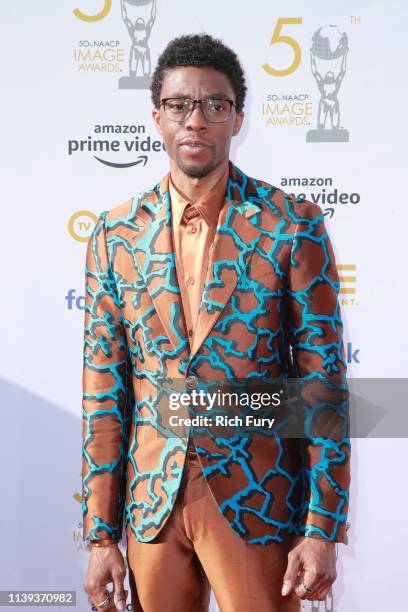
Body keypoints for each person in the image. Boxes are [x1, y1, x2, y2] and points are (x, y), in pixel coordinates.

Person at [82, 33, 350, 612]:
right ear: (157, 117)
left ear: (238, 118)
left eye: (215, 105)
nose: (195, 120)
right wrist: (101, 535)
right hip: (152, 505)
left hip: (258, 502)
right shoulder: (114, 235)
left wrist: (322, 526)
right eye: (180, 105)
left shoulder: (290, 224)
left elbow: (322, 384)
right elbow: (105, 394)